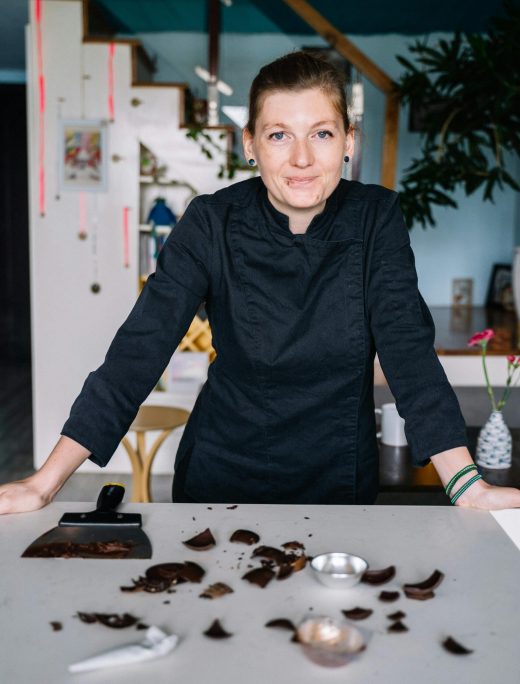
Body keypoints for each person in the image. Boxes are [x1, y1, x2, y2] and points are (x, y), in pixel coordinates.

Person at [1, 51, 519, 513]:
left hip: (338, 477)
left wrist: (466, 484)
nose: (301, 158)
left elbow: (407, 348)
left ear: (348, 142)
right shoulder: (210, 221)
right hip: (222, 473)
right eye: (278, 135)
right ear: (250, 143)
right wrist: (45, 484)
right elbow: (140, 348)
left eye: (321, 133)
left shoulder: (375, 216)